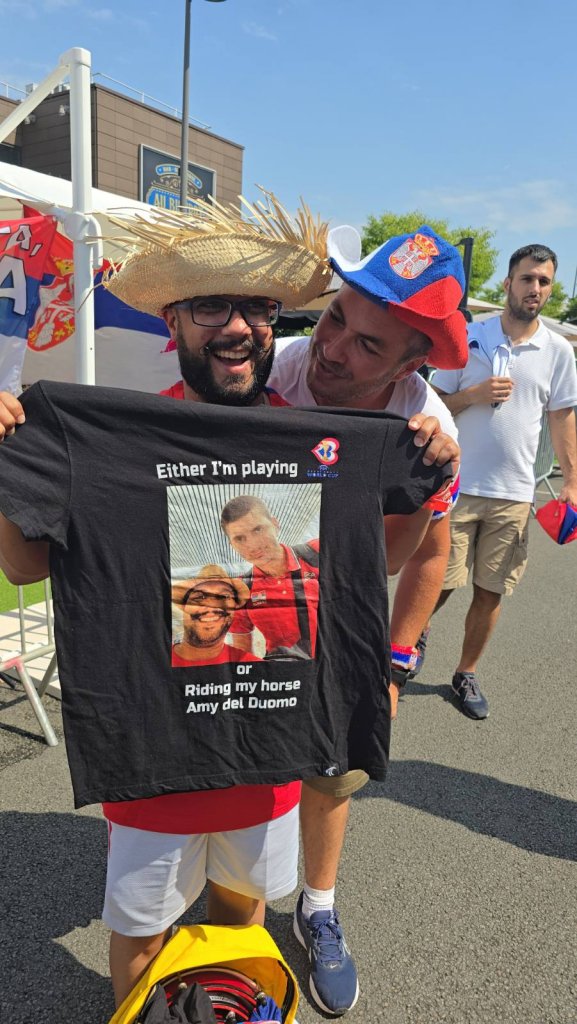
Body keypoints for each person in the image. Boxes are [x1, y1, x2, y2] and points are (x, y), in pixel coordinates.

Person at [0, 193, 461, 1013]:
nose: (238, 327)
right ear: (172, 321)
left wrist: (426, 481)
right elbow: (26, 565)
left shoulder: (318, 435)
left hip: (270, 753)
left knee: (240, 921)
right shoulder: (113, 437)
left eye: (256, 308)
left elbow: (380, 561)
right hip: (152, 759)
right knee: (142, 934)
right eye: (210, 306)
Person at [267, 225, 468, 1014]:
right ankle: (223, 893)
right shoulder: (269, 372)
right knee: (231, 746)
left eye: (367, 344)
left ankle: (316, 906)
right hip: (250, 592)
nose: (333, 348)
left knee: (334, 765)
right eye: (334, 318)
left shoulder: (427, 430)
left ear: (410, 363)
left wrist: (396, 660)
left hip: (340, 614)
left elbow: (415, 559)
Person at [427, 243, 577, 720]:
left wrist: (573, 482)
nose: (536, 288)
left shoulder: (557, 351)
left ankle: (466, 672)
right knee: (438, 583)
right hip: (457, 484)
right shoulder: (469, 336)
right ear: (509, 283)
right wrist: (472, 394)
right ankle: (408, 643)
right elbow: (432, 404)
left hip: (514, 493)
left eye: (544, 281)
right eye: (528, 278)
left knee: (491, 590)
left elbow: (561, 419)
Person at [220, 494, 319, 660]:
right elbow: (242, 652)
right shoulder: (240, 590)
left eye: (258, 530)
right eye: (239, 538)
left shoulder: (318, 551)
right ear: (232, 545)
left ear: (275, 524)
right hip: (287, 671)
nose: (252, 545)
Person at [171, 564, 255, 666]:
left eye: (224, 596)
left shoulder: (254, 668)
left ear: (234, 607)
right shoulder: (155, 663)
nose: (212, 606)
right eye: (200, 597)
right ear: (184, 605)